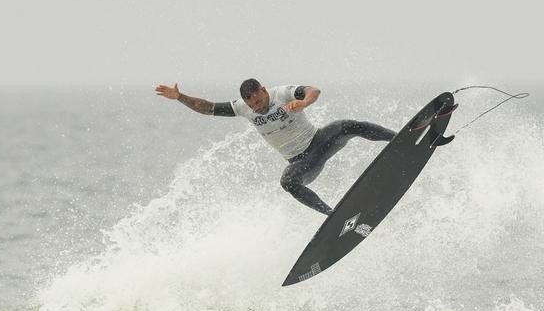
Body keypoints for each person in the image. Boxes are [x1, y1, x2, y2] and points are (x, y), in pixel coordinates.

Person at [154, 78, 395, 216]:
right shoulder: (242, 107)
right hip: (302, 162)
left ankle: (399, 139)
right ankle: (333, 216)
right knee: (288, 182)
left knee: (347, 125)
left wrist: (303, 102)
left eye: (259, 101)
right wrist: (180, 97)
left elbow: (313, 90)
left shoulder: (282, 93)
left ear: (263, 91)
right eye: (253, 105)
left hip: (319, 141)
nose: (257, 107)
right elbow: (206, 107)